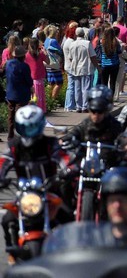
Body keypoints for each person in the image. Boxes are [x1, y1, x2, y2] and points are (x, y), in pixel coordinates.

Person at [0, 106, 72, 254]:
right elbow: (3, 161)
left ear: (39, 126)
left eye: (32, 127)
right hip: (25, 195)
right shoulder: (15, 147)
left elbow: (64, 158)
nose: (28, 132)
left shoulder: (50, 144)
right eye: (25, 128)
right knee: (7, 219)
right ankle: (12, 251)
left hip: (50, 192)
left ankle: (69, 253)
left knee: (68, 218)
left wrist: (69, 169)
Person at [66, 27, 99, 113]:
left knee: (77, 88)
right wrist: (97, 67)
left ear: (76, 34)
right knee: (86, 88)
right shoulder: (87, 43)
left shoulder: (72, 44)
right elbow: (93, 56)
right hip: (86, 68)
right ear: (83, 34)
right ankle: (85, 106)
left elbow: (70, 58)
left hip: (76, 69)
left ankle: (78, 106)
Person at [3, 46, 33, 139]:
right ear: (23, 55)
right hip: (22, 94)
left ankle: (10, 135)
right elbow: (29, 81)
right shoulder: (24, 66)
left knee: (11, 116)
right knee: (21, 115)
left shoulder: (8, 63)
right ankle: (22, 135)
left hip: (10, 93)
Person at [24, 38, 49, 113]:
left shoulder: (26, 55)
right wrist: (45, 53)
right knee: (39, 98)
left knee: (32, 98)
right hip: (39, 80)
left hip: (30, 80)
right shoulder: (40, 54)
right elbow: (48, 62)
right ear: (37, 45)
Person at [97, 27, 122, 91]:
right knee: (112, 83)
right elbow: (119, 53)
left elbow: (99, 52)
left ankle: (105, 98)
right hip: (114, 64)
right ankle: (111, 98)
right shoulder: (116, 42)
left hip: (104, 64)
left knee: (104, 83)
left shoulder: (101, 42)